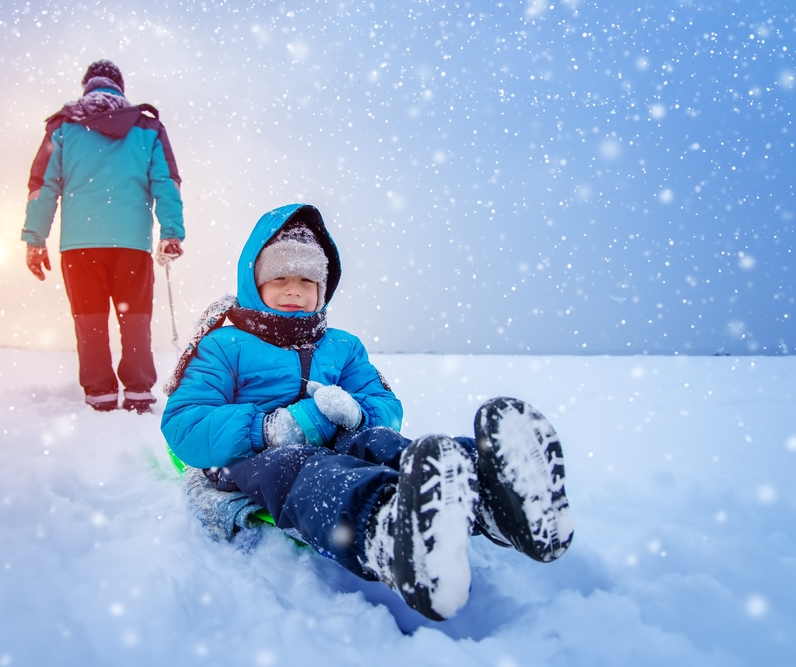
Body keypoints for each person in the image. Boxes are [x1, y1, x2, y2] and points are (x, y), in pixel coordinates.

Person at [161, 203, 574, 621]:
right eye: (279, 278)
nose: (293, 290)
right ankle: (387, 530)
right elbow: (183, 423)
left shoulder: (342, 346)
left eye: (307, 280)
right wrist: (270, 429)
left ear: (323, 288)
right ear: (253, 282)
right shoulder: (223, 346)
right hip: (253, 457)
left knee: (378, 442)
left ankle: (494, 491)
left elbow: (384, 404)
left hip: (337, 436)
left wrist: (358, 416)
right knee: (301, 468)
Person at [21, 59, 184, 413]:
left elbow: (43, 186)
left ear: (87, 87)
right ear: (119, 88)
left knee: (89, 321)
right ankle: (139, 392)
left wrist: (35, 239)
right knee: (136, 319)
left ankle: (100, 394)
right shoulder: (147, 127)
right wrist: (170, 231)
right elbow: (166, 182)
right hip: (131, 245)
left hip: (80, 246)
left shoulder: (63, 127)